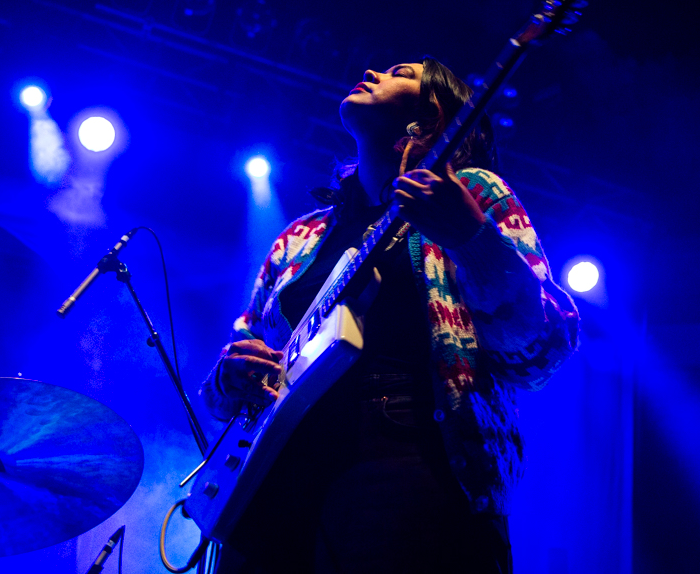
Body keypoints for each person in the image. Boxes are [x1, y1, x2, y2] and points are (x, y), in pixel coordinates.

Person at [200, 57, 579, 574]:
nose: (374, 72)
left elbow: (541, 352)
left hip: (404, 459)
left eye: (402, 73)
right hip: (271, 479)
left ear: (433, 115)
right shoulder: (299, 236)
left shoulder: (475, 194)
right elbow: (239, 360)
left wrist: (472, 238)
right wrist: (230, 376)